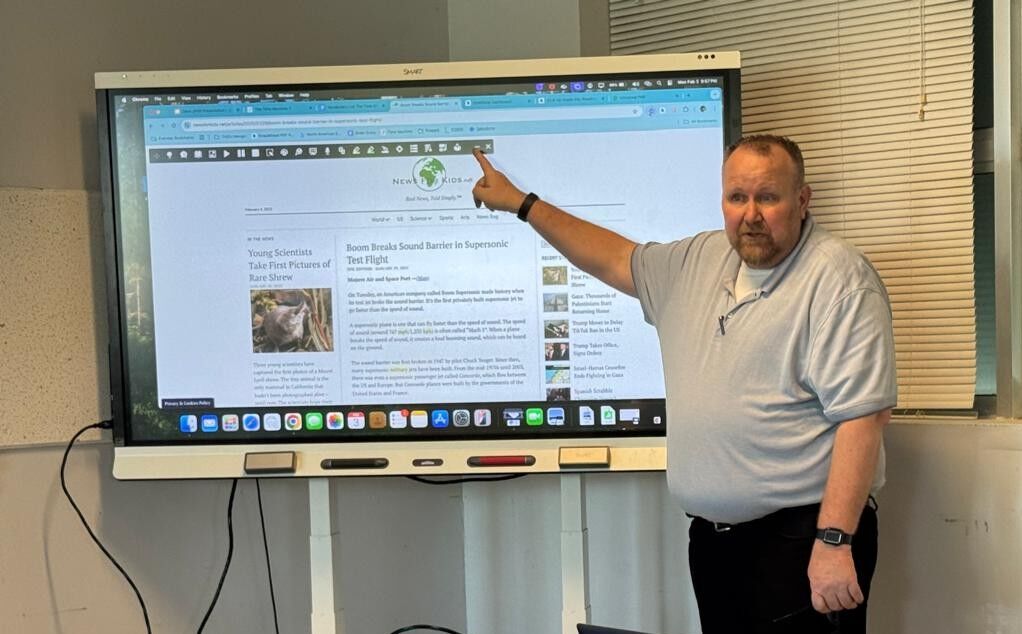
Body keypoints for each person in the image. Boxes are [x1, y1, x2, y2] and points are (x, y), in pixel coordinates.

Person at [471, 135, 896, 634]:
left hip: (803, 543)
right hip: (715, 547)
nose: (751, 215)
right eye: (737, 197)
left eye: (768, 197)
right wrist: (523, 205)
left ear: (802, 200)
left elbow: (863, 419)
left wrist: (834, 542)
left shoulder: (840, 280)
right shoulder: (700, 259)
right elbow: (612, 257)